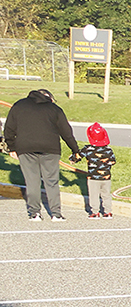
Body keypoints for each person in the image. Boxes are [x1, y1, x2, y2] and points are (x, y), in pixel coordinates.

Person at [4, 88, 83, 221]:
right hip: (50, 148)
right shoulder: (54, 109)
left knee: (32, 181)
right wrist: (75, 150)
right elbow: (66, 132)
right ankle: (56, 214)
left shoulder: (19, 105)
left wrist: (12, 147)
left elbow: (9, 128)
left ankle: (35, 213)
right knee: (51, 181)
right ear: (49, 97)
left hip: (25, 148)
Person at [80, 122, 117, 218]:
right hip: (106, 177)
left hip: (93, 177)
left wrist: (72, 159)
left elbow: (78, 156)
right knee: (106, 194)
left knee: (94, 195)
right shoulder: (108, 150)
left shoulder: (88, 149)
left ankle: (95, 212)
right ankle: (108, 212)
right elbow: (113, 161)